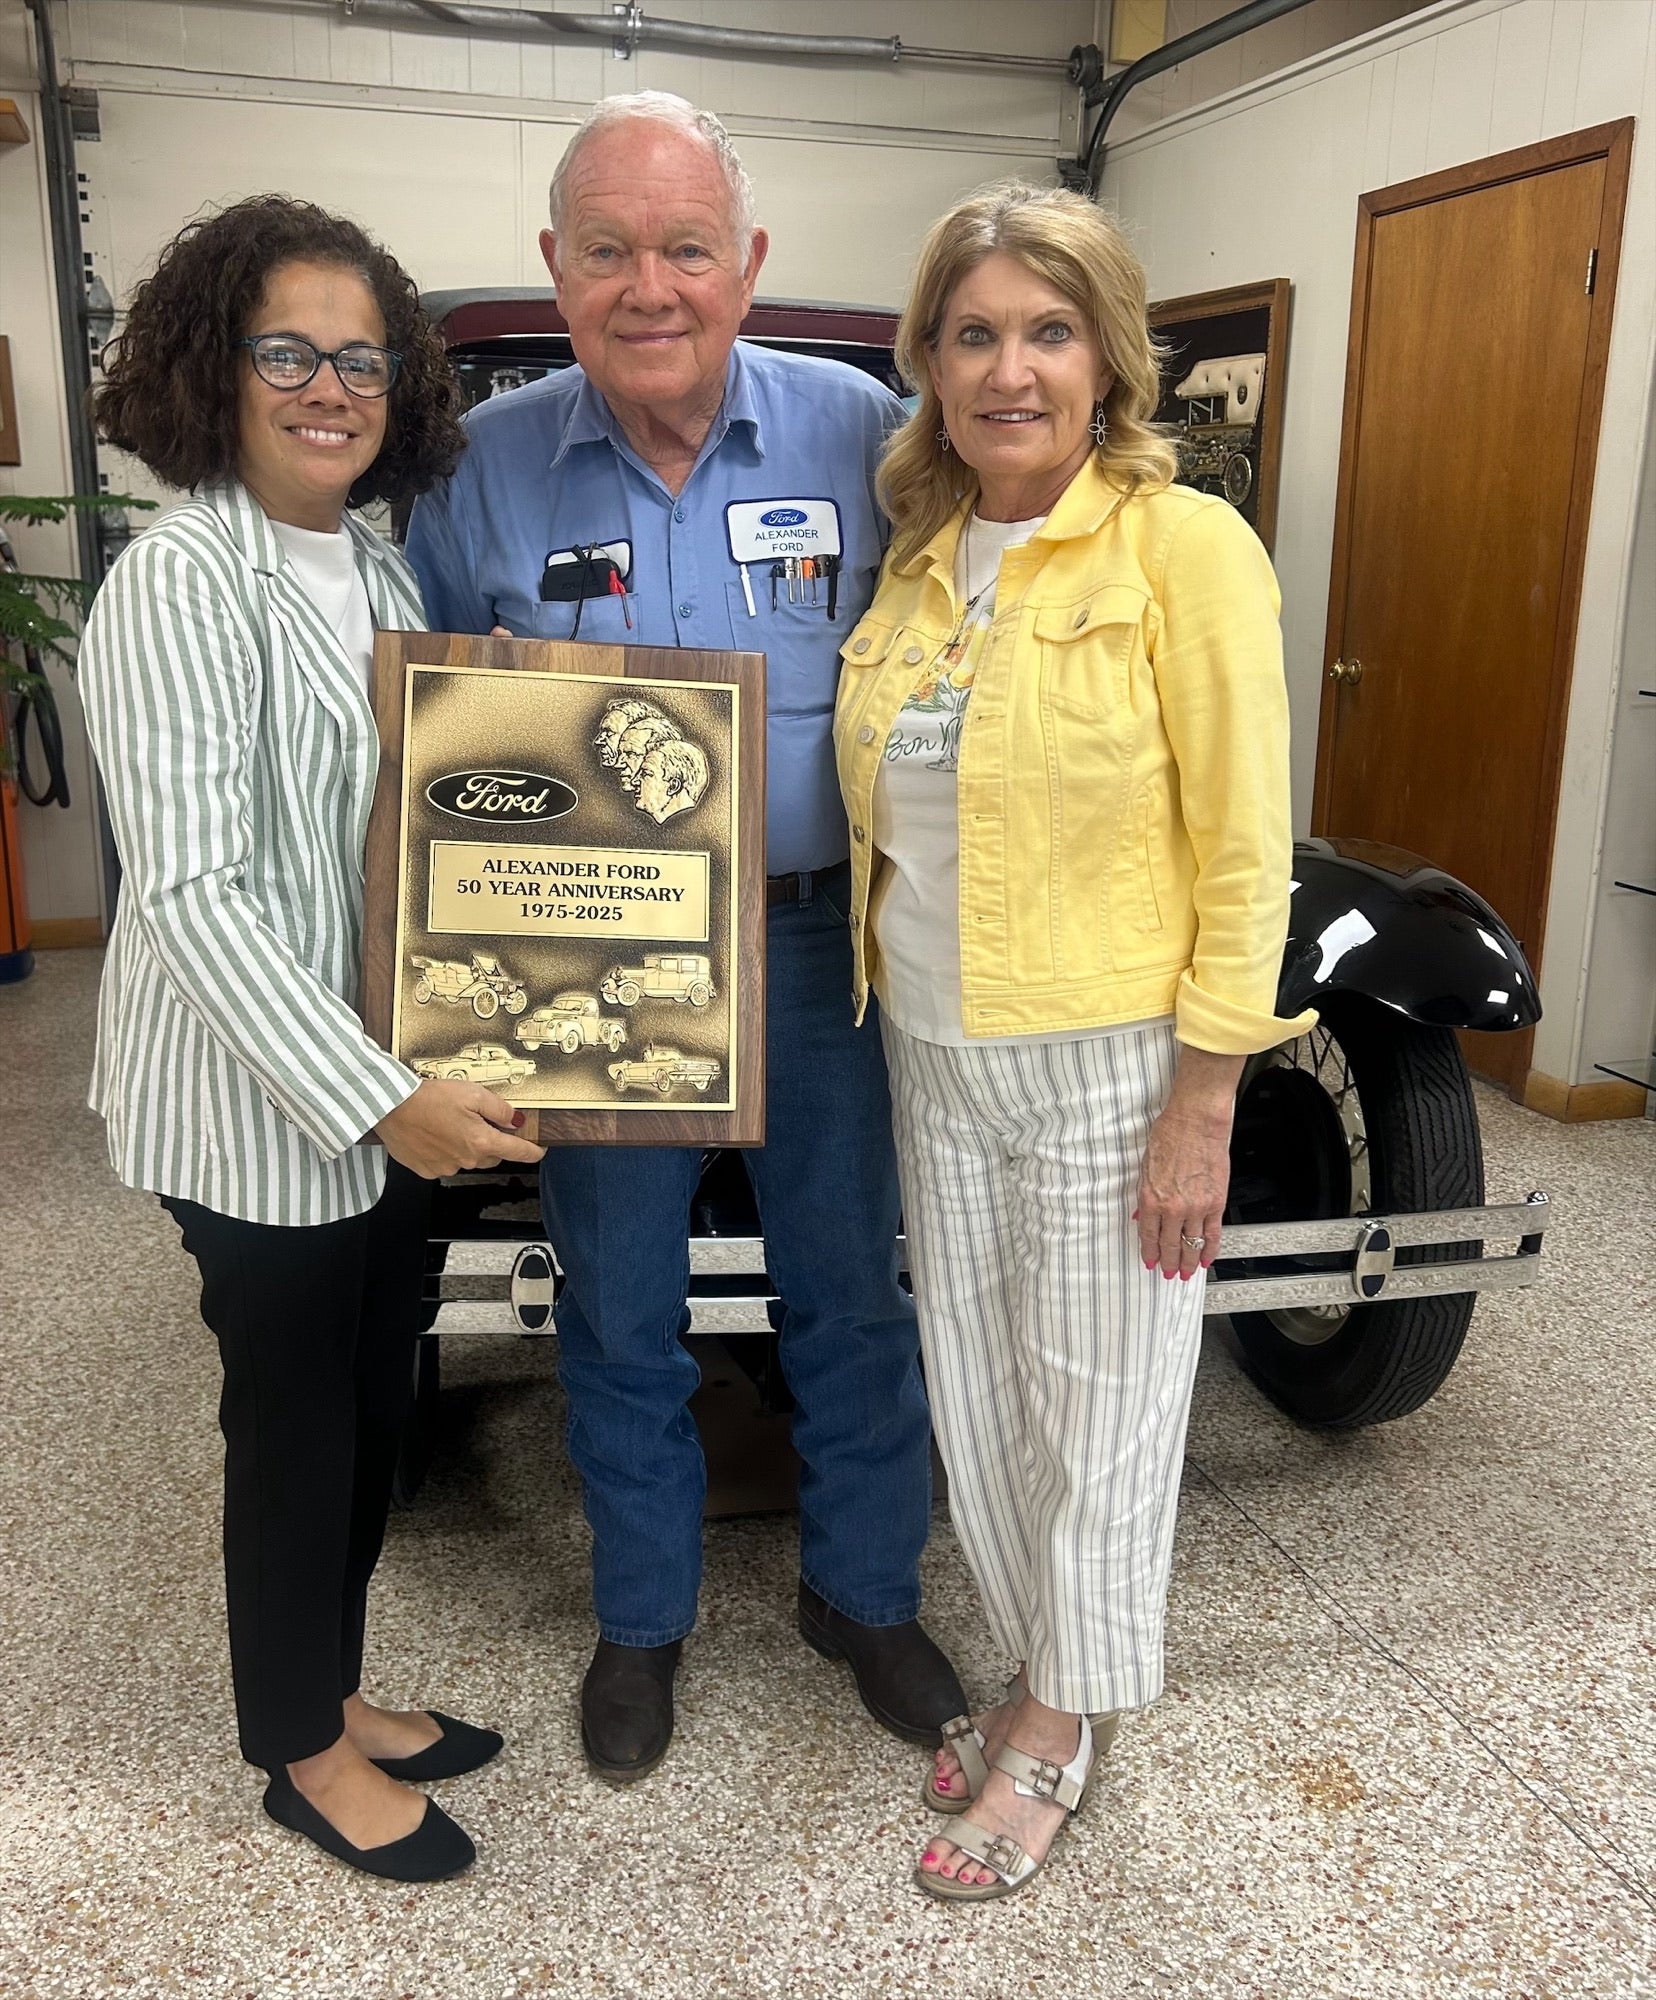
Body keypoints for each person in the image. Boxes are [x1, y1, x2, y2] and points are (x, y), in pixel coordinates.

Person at [407, 92, 965, 1781]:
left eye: (686, 247)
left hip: (814, 948)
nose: (649, 286)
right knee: (620, 1308)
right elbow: (426, 741)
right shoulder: (482, 470)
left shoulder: (864, 435)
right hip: (593, 965)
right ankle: (642, 1617)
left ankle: (864, 1594)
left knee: (850, 1296)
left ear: (749, 262)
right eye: (608, 250)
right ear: (556, 267)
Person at [832, 181, 1316, 1902]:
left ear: (1108, 360)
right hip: (933, 1042)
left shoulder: (1185, 550)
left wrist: (1206, 1101)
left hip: (1115, 1054)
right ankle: (1054, 1656)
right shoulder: (918, 560)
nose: (1009, 370)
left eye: (1048, 332)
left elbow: (1247, 846)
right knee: (982, 1396)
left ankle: (1057, 1717)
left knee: (1106, 1403)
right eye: (974, 335)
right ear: (930, 361)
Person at [80, 195, 546, 1882]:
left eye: (362, 360)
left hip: (387, 1086)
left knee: (366, 1415)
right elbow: (192, 897)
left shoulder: (380, 566)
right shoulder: (178, 582)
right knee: (295, 1430)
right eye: (288, 353)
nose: (329, 389)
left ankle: (334, 1691)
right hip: (260, 1107)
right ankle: (297, 1750)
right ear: (215, 365)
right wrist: (384, 1095)